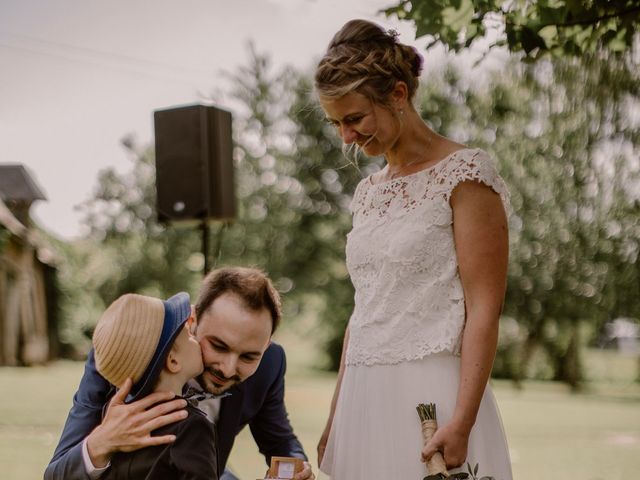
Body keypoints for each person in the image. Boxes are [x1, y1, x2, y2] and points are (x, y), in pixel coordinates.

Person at [314, 19, 513, 479]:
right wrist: (336, 416)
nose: (345, 136)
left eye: (354, 119)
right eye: (336, 123)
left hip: (434, 395)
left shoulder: (465, 174)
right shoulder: (367, 193)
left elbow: (484, 308)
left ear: (398, 95)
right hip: (365, 397)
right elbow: (363, 312)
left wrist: (462, 421)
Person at [45, 266, 315, 480]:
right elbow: (56, 475)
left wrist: (298, 469)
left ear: (265, 346)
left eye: (249, 356)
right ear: (191, 320)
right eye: (218, 346)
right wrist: (100, 442)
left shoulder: (271, 363)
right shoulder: (125, 348)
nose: (228, 368)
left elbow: (279, 440)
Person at [91, 291, 217, 479]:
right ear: (173, 361)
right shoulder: (191, 427)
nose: (195, 338)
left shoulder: (119, 425)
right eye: (188, 335)